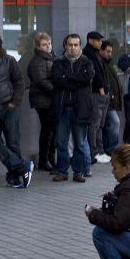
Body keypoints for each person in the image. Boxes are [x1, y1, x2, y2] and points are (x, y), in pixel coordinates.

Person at [0, 34, 34, 188]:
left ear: (0, 50)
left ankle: (14, 177)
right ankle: (23, 166)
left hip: (9, 107)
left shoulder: (9, 61)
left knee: (13, 142)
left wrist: (15, 102)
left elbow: (19, 81)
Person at [51, 34, 95, 183]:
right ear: (65, 46)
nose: (73, 48)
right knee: (61, 142)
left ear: (80, 46)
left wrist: (67, 78)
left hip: (80, 109)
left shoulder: (87, 62)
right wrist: (75, 80)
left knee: (80, 142)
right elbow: (56, 80)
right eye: (70, 45)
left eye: (76, 45)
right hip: (62, 108)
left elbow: (87, 78)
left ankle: (79, 172)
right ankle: (62, 171)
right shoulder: (58, 63)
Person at [27, 32, 56, 172]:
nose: (48, 46)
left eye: (49, 43)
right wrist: (57, 89)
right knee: (47, 131)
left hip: (49, 99)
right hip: (43, 100)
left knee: (51, 131)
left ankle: (50, 158)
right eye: (44, 44)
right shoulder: (38, 61)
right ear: (38, 47)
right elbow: (41, 81)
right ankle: (45, 160)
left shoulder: (50, 58)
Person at [82, 32, 110, 166]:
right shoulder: (88, 53)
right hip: (96, 94)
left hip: (102, 93)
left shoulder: (96, 53)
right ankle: (93, 152)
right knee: (94, 125)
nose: (100, 43)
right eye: (98, 40)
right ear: (90, 40)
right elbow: (96, 74)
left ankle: (99, 151)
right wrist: (101, 90)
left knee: (100, 125)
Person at [100, 41, 124, 158]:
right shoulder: (101, 64)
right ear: (101, 51)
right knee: (114, 123)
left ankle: (110, 149)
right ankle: (111, 149)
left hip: (110, 101)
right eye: (108, 52)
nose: (110, 54)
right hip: (106, 100)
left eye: (111, 52)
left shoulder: (109, 64)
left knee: (110, 124)